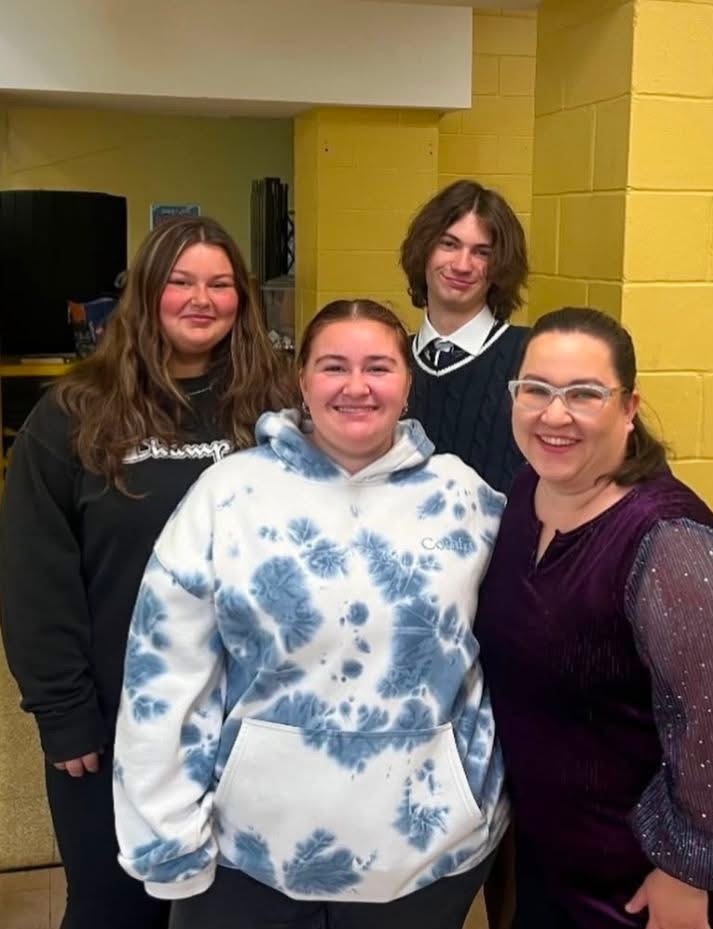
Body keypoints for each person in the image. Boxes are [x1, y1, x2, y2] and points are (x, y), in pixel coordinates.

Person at [111, 298, 509, 929]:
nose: (356, 387)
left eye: (378, 367)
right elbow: (164, 672)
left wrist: (479, 802)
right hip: (249, 857)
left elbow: (510, 655)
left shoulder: (464, 499)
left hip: (426, 855)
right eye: (333, 367)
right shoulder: (229, 494)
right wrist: (166, 835)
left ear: (408, 382)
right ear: (302, 381)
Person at [0, 216, 294, 929]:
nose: (202, 298)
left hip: (251, 720)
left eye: (220, 283)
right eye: (181, 281)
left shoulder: (278, 407)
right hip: (114, 720)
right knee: (113, 907)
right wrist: (64, 716)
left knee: (234, 908)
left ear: (242, 299)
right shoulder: (73, 414)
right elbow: (36, 579)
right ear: (145, 293)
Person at [474, 306, 713, 929]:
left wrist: (687, 873)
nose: (553, 415)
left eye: (584, 394)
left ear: (629, 406)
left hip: (643, 873)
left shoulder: (668, 539)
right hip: (555, 844)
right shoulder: (524, 494)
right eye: (535, 390)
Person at [400, 179, 530, 495]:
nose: (462, 265)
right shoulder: (388, 360)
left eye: (481, 252)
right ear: (424, 249)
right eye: (449, 244)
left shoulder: (532, 357)